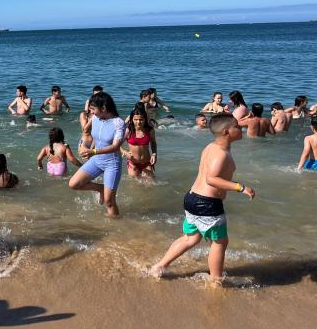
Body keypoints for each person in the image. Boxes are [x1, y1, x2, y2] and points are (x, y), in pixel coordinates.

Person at [149, 113, 256, 285]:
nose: (241, 127)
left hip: (192, 198)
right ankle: (216, 280)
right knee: (220, 242)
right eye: (237, 126)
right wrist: (240, 188)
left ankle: (159, 267)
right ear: (227, 132)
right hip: (207, 204)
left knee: (190, 238)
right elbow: (211, 179)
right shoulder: (221, 154)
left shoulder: (211, 147)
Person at [68, 92, 125, 217]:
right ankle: (100, 188)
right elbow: (88, 132)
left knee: (109, 202)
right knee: (73, 184)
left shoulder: (118, 123)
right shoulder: (95, 118)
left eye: (93, 109)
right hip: (97, 159)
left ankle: (116, 228)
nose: (91, 112)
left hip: (112, 164)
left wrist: (92, 151)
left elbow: (115, 147)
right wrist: (85, 145)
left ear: (103, 108)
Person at [121, 105, 157, 178]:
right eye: (136, 119)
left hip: (147, 163)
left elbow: (153, 142)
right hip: (133, 163)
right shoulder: (129, 131)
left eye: (141, 119)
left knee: (151, 185)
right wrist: (125, 152)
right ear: (132, 120)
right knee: (134, 186)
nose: (138, 122)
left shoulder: (149, 130)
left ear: (145, 119)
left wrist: (154, 154)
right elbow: (118, 145)